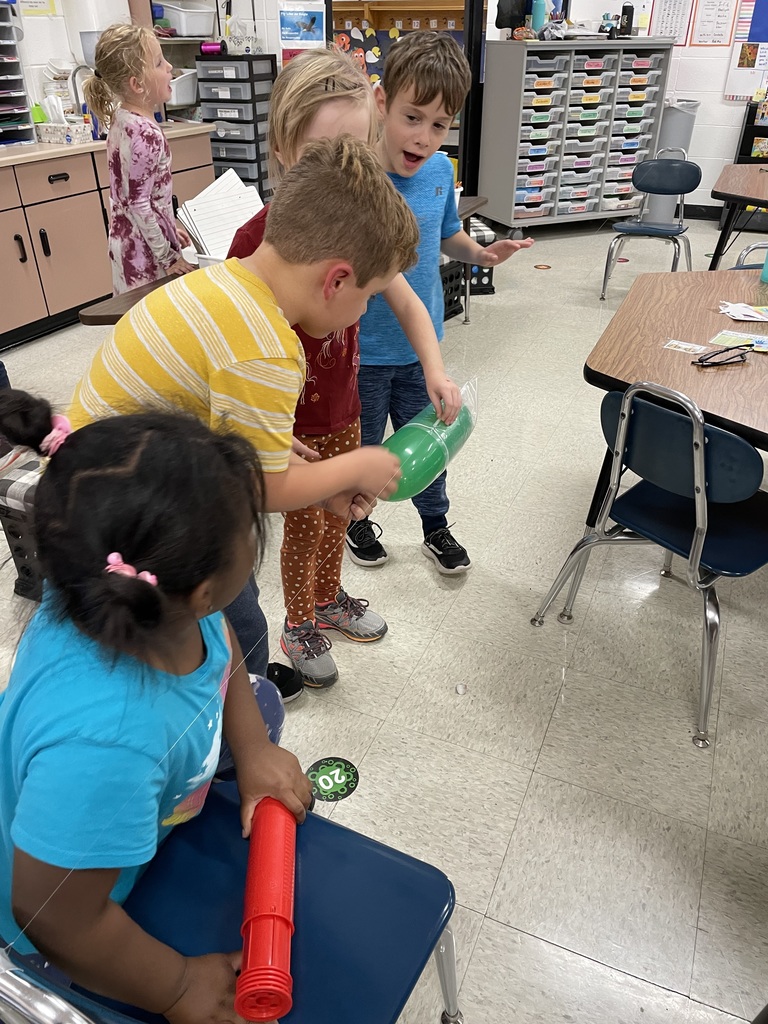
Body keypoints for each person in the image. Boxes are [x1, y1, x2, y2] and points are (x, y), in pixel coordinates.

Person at [0, 388, 312, 1024]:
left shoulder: (133, 598)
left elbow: (217, 638)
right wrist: (175, 988)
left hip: (117, 832)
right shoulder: (110, 745)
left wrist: (252, 746)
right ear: (200, 588)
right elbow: (53, 912)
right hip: (62, 930)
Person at [68, 135, 415, 697]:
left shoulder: (222, 283)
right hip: (125, 530)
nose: (367, 310)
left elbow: (217, 422)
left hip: (100, 490)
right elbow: (265, 487)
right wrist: (356, 468)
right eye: (370, 296)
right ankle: (239, 715)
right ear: (337, 280)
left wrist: (285, 456)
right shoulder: (269, 345)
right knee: (237, 623)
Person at [228, 48, 463, 688]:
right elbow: (240, 359)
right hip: (287, 424)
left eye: (356, 157)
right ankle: (298, 619)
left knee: (343, 515)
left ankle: (328, 598)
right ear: (281, 148)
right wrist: (275, 440)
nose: (341, 178)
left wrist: (436, 371)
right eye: (320, 157)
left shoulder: (363, 227)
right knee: (303, 524)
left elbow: (409, 300)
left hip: (345, 405)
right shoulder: (256, 241)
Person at [347, 31, 534, 575]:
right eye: (412, 117)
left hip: (421, 345)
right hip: (362, 352)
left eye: (440, 124)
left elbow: (445, 234)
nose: (424, 137)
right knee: (365, 449)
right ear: (381, 103)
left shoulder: (438, 171)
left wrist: (481, 253)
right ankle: (358, 521)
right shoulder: (356, 177)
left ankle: (436, 527)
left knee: (433, 443)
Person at [83, 24, 195, 296]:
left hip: (126, 242)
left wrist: (169, 229)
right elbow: (140, 204)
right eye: (158, 62)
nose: (169, 67)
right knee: (151, 319)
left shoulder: (121, 120)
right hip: (144, 256)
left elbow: (138, 197)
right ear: (137, 84)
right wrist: (169, 257)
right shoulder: (146, 134)